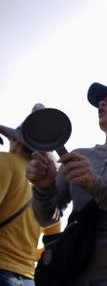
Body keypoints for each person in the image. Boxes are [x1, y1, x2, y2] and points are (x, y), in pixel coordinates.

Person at [26, 83, 107, 285]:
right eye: (102, 101)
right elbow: (46, 218)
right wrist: (43, 187)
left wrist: (97, 184)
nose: (102, 103)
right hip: (72, 274)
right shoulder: (80, 154)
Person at [0, 106, 60, 286]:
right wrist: (28, 255)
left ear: (16, 142)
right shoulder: (47, 186)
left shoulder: (6, 162)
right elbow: (53, 240)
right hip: (27, 277)